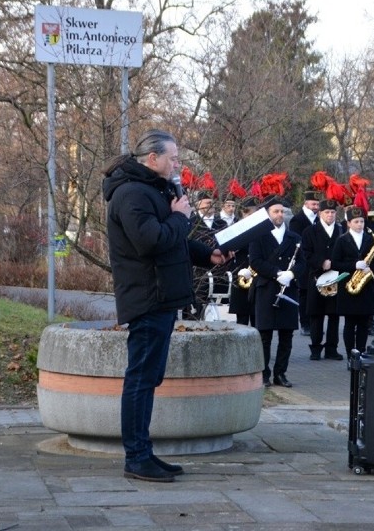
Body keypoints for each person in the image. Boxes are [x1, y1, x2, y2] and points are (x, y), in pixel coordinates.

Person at [104, 129, 227, 483]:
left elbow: (173, 243)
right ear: (152, 159)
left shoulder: (156, 191)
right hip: (147, 297)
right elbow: (151, 241)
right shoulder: (130, 194)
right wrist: (180, 218)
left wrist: (208, 254)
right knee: (141, 379)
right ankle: (136, 457)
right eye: (173, 158)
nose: (177, 164)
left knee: (148, 377)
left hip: (160, 297)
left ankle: (143, 452)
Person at [249, 196, 306, 388]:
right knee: (264, 335)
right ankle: (264, 374)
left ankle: (280, 374)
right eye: (276, 211)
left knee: (286, 335)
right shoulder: (259, 236)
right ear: (267, 214)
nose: (280, 214)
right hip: (267, 289)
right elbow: (255, 261)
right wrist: (276, 273)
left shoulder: (295, 238)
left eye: (282, 211)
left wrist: (291, 273)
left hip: (288, 289)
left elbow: (303, 263)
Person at [332, 204, 374, 367]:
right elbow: (335, 263)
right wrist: (354, 265)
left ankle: (360, 354)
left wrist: (370, 269)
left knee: (364, 324)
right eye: (356, 222)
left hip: (366, 287)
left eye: (362, 221)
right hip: (349, 288)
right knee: (350, 324)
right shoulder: (342, 240)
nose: (360, 225)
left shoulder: (371, 239)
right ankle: (350, 356)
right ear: (349, 223)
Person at [300, 197, 343, 360]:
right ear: (320, 214)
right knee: (316, 314)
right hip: (316, 277)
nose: (330, 215)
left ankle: (332, 348)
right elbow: (305, 253)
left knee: (334, 315)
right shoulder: (309, 231)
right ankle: (315, 348)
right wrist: (320, 262)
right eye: (327, 212)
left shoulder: (340, 230)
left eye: (333, 212)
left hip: (336, 278)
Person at [185, 193, 229, 320]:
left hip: (218, 271)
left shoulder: (221, 223)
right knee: (195, 310)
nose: (211, 206)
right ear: (198, 205)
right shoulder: (192, 222)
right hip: (198, 273)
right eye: (207, 203)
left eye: (212, 203)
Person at [289, 191, 320, 335]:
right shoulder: (297, 220)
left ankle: (315, 324)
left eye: (317, 204)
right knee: (304, 293)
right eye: (313, 204)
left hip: (317, 263)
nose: (316, 207)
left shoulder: (319, 219)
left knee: (315, 295)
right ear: (306, 203)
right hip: (304, 262)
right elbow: (298, 241)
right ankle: (305, 324)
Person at [229, 196, 260, 326]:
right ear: (244, 213)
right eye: (253, 213)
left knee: (257, 316)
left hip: (257, 272)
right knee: (241, 315)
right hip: (241, 272)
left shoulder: (261, 229)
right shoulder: (236, 228)